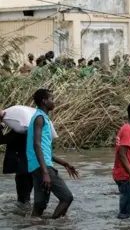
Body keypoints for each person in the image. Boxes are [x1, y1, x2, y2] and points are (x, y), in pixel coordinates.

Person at [27, 89, 78, 218]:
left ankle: (33, 225)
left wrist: (64, 163)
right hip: (42, 167)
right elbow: (36, 144)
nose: (54, 102)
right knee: (67, 197)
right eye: (52, 99)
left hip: (36, 166)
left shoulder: (40, 117)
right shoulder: (39, 118)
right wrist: (45, 172)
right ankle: (53, 225)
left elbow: (44, 150)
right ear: (44, 101)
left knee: (39, 206)